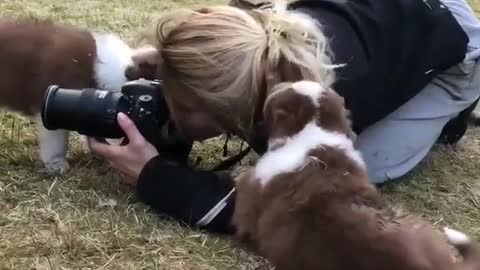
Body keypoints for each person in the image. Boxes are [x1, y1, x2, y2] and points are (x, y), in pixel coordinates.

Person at [88, 0, 480, 234]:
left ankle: (453, 110)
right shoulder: (255, 45)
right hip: (383, 17)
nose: (167, 109)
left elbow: (297, 214)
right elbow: (223, 43)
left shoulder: (321, 107)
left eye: (177, 104)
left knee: (368, 164)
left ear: (226, 111)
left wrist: (155, 175)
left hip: (453, 41)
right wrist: (174, 62)